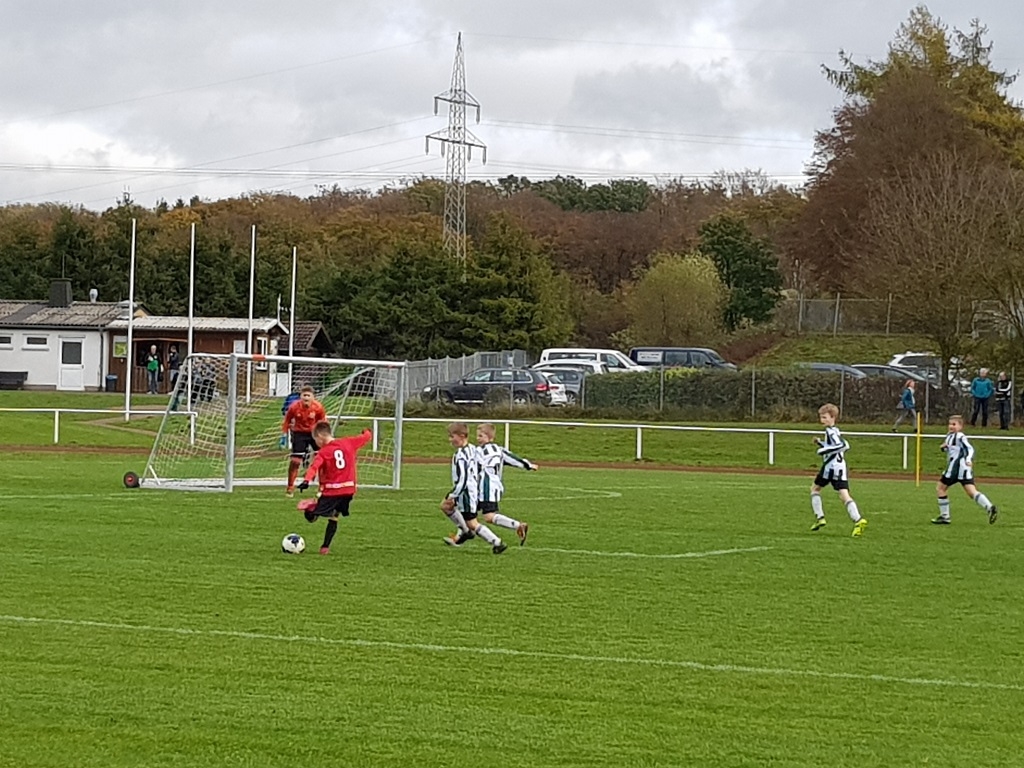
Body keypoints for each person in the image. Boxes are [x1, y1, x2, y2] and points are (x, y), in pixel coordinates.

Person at [451, 423, 535, 547]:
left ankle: (517, 526)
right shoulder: (499, 449)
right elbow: (513, 458)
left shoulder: (477, 451)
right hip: (491, 487)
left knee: (487, 516)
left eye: (481, 436)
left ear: (490, 437)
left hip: (485, 487)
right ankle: (461, 536)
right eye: (477, 436)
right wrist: (528, 465)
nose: (478, 438)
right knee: (467, 512)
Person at [296, 420, 372, 555]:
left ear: (320, 437)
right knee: (334, 516)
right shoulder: (349, 442)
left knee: (311, 517)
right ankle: (325, 547)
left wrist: (306, 481)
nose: (316, 443)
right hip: (348, 490)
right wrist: (366, 431)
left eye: (316, 440)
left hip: (332, 491)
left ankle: (312, 506)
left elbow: (314, 467)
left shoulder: (323, 452)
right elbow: (366, 437)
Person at [440, 422, 507, 554]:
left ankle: (496, 542)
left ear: (462, 436)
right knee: (446, 506)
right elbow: (480, 465)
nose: (450, 440)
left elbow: (463, 477)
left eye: (452, 436)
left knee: (472, 523)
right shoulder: (473, 449)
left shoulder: (461, 455)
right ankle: (465, 531)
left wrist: (454, 494)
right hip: (469, 489)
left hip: (465, 491)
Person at [809, 403, 867, 537]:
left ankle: (820, 517)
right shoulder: (835, 430)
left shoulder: (830, 431)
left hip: (830, 467)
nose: (822, 420)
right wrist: (820, 443)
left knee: (815, 489)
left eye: (825, 417)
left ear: (833, 417)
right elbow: (834, 446)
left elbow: (841, 445)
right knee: (844, 495)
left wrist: (823, 450)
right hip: (840, 468)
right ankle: (858, 520)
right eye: (821, 417)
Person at [932, 415, 998, 525]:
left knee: (940, 488)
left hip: (955, 468)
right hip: (964, 470)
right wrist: (944, 448)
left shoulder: (960, 436)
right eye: (950, 424)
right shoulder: (950, 436)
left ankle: (945, 516)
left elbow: (969, 449)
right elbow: (953, 450)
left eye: (954, 424)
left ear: (960, 426)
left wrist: (968, 459)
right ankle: (989, 507)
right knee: (971, 492)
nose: (951, 426)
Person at [281, 385, 327, 497]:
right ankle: (290, 487)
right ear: (300, 396)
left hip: (314, 433)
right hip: (299, 434)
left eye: (308, 395)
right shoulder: (294, 407)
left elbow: (323, 421)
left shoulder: (318, 407)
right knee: (295, 461)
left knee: (321, 460)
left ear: (313, 397)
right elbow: (287, 420)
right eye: (304, 395)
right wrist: (284, 433)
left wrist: (323, 435)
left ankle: (322, 487)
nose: (306, 398)